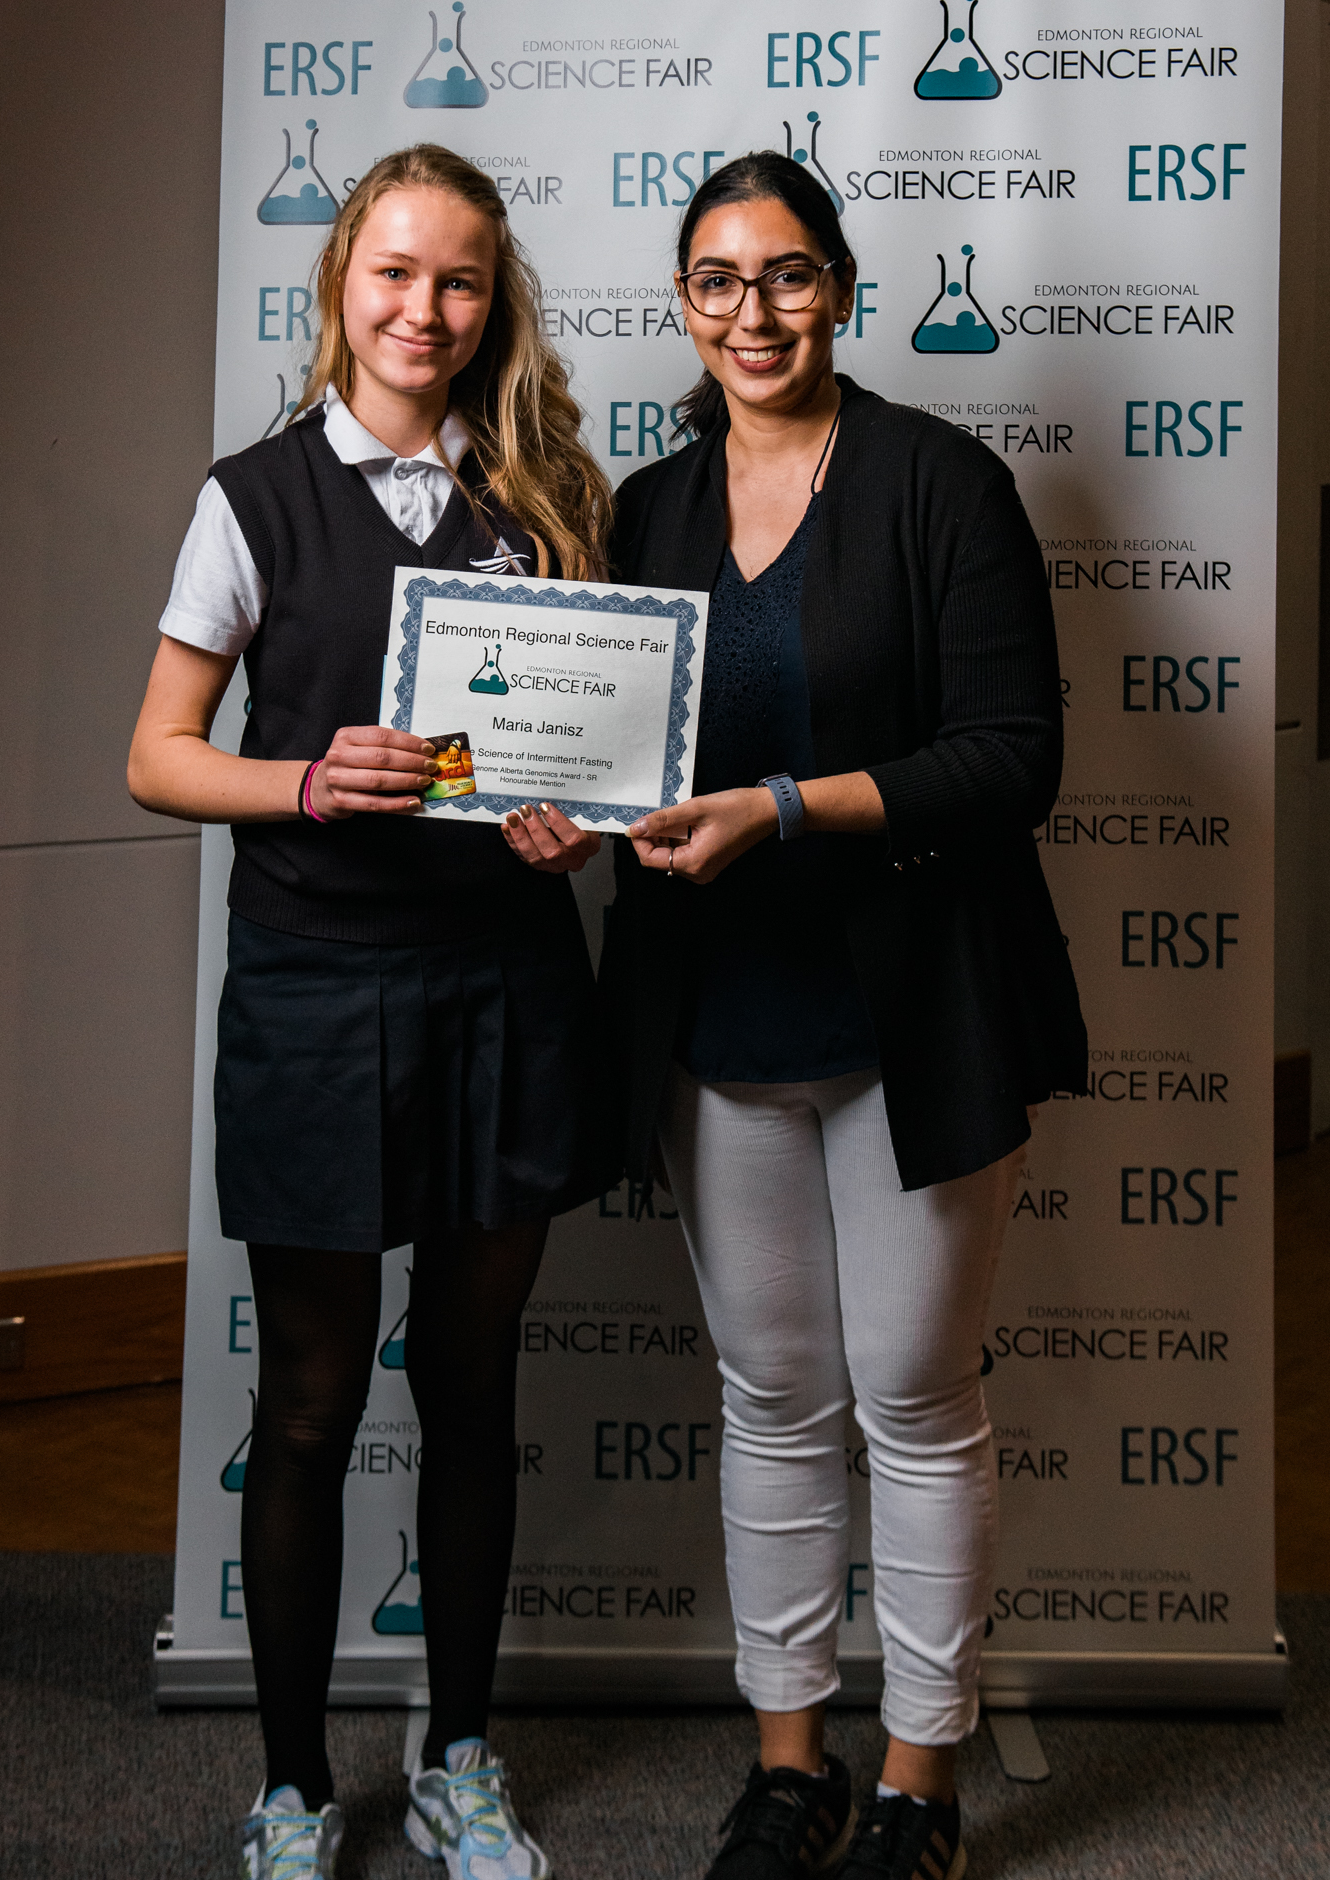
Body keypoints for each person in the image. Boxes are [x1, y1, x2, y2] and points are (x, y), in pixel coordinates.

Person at [511, 152, 1087, 1880]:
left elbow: (1013, 761)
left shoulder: (940, 484)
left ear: (839, 285)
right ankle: (790, 1769)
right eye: (715, 280)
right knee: (770, 1396)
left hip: (916, 1017)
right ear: (684, 306)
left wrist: (783, 807)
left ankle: (919, 1782)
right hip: (719, 1022)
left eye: (784, 274)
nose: (750, 312)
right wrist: (559, 814)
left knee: (914, 1396)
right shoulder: (646, 510)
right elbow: (607, 752)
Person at [128, 144, 611, 1880]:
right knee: (315, 1403)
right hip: (317, 987)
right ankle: (291, 1787)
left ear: (496, 303)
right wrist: (306, 782)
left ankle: (458, 1758)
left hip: (504, 980)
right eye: (395, 271)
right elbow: (156, 756)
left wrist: (577, 821)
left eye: (460, 278)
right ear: (341, 280)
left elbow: (584, 752)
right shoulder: (251, 498)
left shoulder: (551, 495)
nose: (426, 308)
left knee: (473, 1386)